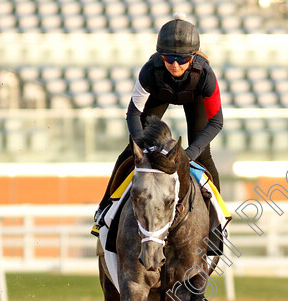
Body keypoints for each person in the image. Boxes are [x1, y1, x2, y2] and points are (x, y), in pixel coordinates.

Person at [93, 13, 224, 229]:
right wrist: (141, 149)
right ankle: (104, 208)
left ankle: (218, 222)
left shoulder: (205, 75)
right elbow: (133, 114)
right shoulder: (150, 71)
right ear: (159, 56)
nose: (174, 65)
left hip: (194, 98)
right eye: (167, 58)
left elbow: (216, 122)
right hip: (160, 93)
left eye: (182, 59)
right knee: (129, 152)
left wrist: (188, 155)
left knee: (205, 157)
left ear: (193, 56)